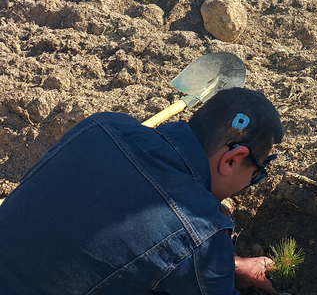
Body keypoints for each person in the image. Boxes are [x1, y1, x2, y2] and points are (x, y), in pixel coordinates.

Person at [0, 87, 283, 294]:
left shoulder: (102, 125)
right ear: (231, 160)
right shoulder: (200, 230)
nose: (250, 184)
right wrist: (212, 263)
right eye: (256, 174)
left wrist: (225, 265)